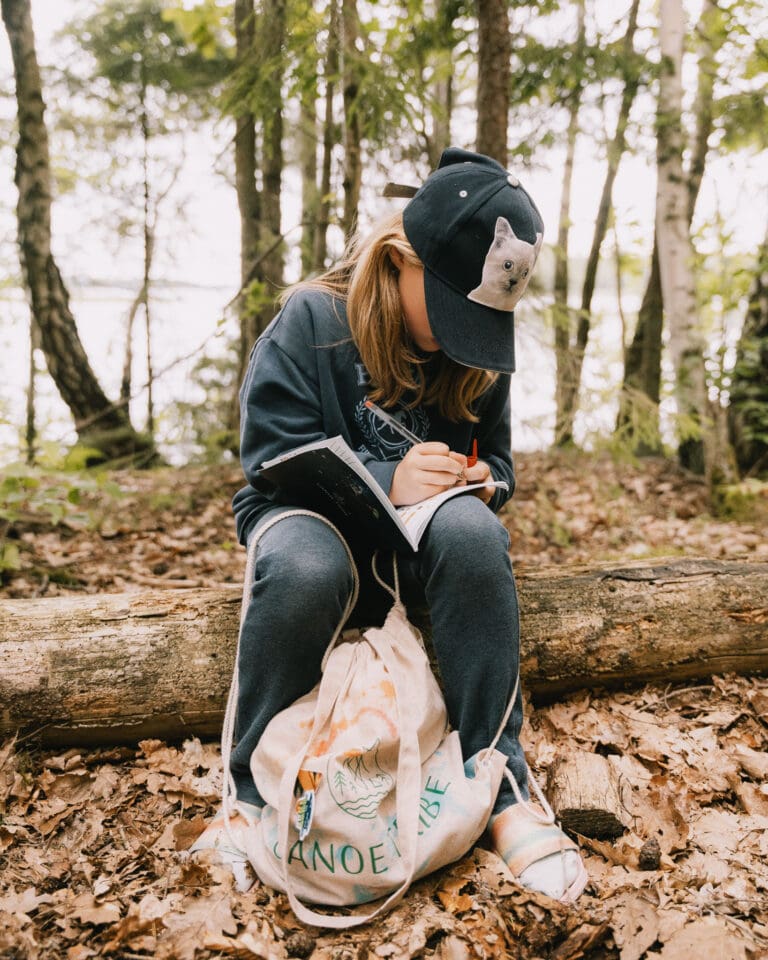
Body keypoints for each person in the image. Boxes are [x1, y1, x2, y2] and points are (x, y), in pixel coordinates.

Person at [191, 148, 588, 903]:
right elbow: (269, 452)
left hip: (420, 539)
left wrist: (482, 481)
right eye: (449, 313)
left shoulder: (475, 359)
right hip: (308, 514)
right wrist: (385, 479)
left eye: (479, 323)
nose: (458, 337)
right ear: (399, 258)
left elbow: (498, 460)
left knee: (476, 536)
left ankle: (499, 782)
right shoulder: (314, 318)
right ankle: (246, 796)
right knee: (306, 567)